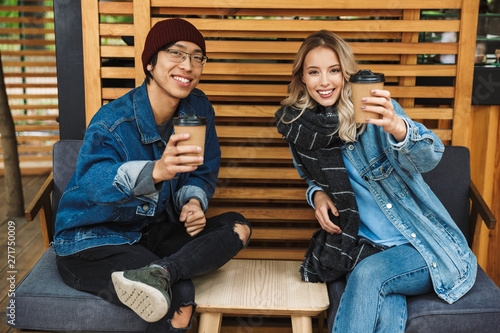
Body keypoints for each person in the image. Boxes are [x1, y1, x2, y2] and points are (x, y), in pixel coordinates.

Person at [53, 18, 251, 332]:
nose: (188, 65)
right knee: (180, 296)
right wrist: (156, 170)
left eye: (197, 57)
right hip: (91, 241)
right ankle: (163, 276)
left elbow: (204, 169)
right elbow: (92, 180)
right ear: (150, 63)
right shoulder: (113, 122)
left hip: (150, 231)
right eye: (176, 53)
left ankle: (161, 271)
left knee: (237, 227)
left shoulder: (198, 111)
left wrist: (193, 204)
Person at [275, 30, 476, 333]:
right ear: (302, 78)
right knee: (384, 304)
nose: (324, 81)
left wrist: (398, 127)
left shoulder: (374, 113)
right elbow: (309, 176)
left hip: (420, 246)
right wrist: (317, 195)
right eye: (314, 72)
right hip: (365, 246)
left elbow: (429, 157)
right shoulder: (301, 129)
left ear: (346, 74)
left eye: (334, 71)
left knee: (368, 275)